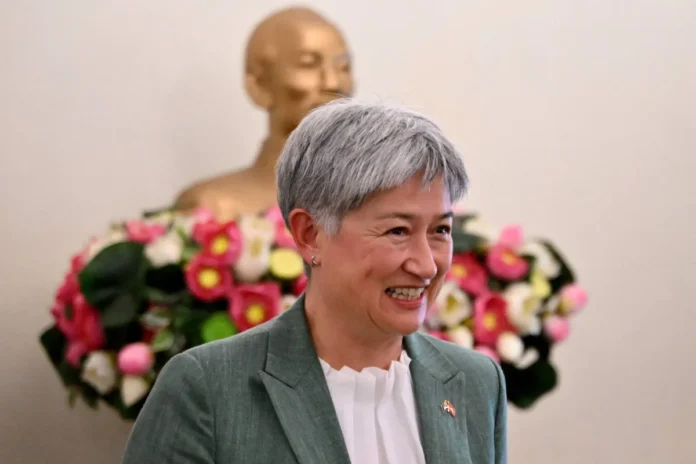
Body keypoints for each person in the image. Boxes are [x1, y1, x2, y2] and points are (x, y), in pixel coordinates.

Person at [121, 99, 508, 463]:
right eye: (397, 231)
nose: (426, 265)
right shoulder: (207, 388)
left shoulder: (477, 382)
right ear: (310, 234)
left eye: (440, 230)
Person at [173, 7, 354, 221]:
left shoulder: (377, 201)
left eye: (343, 67)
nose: (333, 83)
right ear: (259, 85)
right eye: (307, 64)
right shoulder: (213, 207)